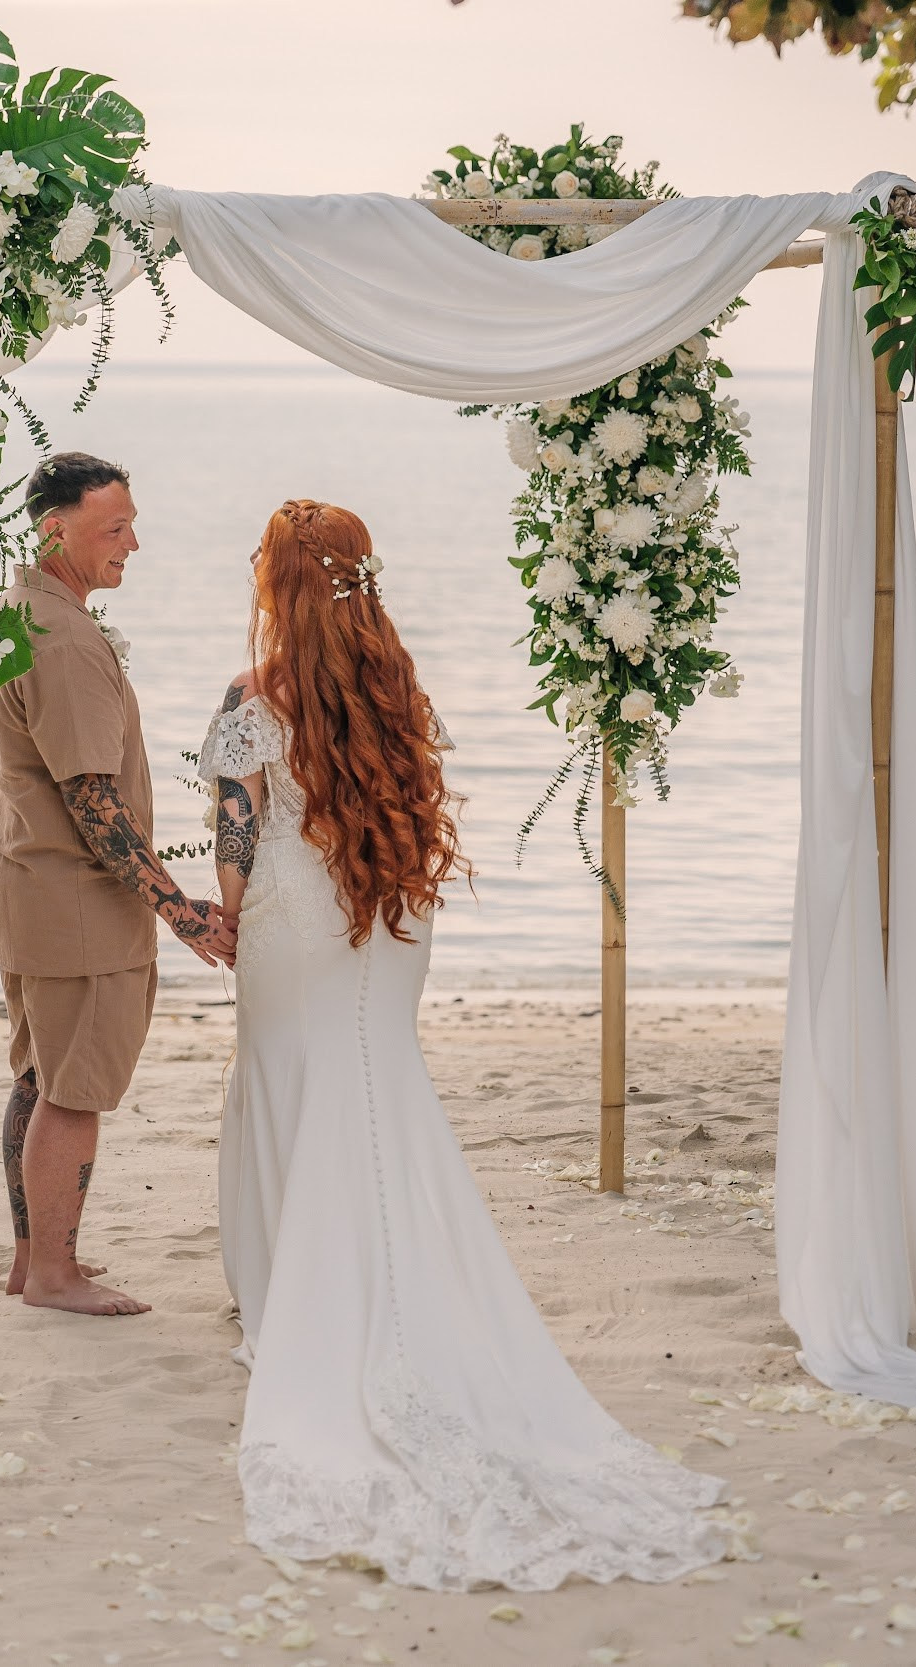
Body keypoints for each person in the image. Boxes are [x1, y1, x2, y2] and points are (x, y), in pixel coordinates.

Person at [198, 499, 728, 1589]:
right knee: (377, 1087)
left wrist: (226, 913)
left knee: (284, 1085)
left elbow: (236, 841)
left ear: (280, 584)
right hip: (387, 919)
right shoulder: (397, 689)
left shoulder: (251, 698)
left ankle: (289, 1298)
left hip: (293, 921)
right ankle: (367, 1289)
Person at [0, 452, 237, 1317]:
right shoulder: (66, 639)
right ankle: (55, 1273)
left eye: (131, 522)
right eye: (113, 528)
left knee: (37, 1077)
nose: (134, 542)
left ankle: (29, 1262)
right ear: (56, 530)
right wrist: (179, 909)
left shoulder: (14, 614)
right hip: (78, 906)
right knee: (72, 1091)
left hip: (24, 894)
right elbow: (92, 797)